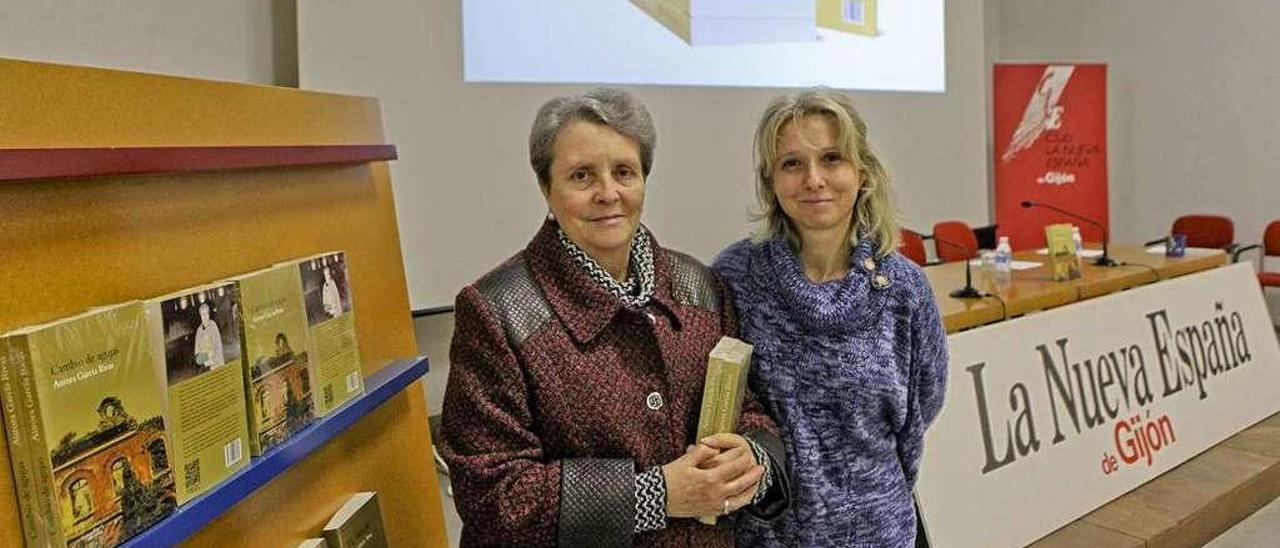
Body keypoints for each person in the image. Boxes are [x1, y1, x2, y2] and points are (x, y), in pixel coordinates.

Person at [439, 88, 789, 547]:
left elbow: (749, 410)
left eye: (624, 172)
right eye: (582, 176)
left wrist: (751, 461)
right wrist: (659, 494)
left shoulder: (701, 286)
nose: (608, 193)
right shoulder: (496, 311)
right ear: (547, 188)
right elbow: (493, 494)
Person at [713, 90, 948, 547]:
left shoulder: (905, 288)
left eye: (832, 158)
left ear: (862, 173)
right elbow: (724, 410)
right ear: (771, 181)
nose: (814, 179)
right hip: (769, 538)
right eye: (792, 164)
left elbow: (925, 403)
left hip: (881, 532)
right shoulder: (734, 277)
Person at [192, 301, 225, 368]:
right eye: (202, 314)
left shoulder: (213, 325)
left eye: (206, 314)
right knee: (198, 360)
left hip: (216, 361)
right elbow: (197, 350)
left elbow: (218, 345)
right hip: (206, 363)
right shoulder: (199, 330)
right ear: (200, 316)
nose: (204, 316)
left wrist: (214, 360)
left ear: (209, 314)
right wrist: (204, 361)